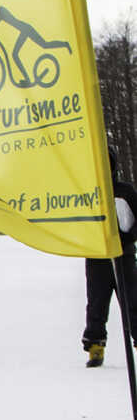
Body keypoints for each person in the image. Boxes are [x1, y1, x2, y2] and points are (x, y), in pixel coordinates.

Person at [82, 148, 137, 367]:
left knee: (132, 299)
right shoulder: (88, 192)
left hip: (123, 254)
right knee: (97, 302)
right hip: (97, 256)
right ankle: (95, 346)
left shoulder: (125, 191)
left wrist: (128, 237)